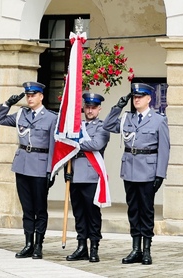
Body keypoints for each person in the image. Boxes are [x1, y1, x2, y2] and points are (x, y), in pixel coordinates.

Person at [103, 83, 170, 265]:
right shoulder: (127, 119)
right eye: (134, 97)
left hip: (148, 171)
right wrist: (118, 107)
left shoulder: (158, 120)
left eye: (140, 97)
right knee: (133, 210)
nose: (136, 99)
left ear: (149, 98)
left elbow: (164, 149)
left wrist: (160, 174)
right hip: (130, 170)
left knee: (146, 211)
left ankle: (147, 250)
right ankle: (135, 249)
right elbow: (108, 125)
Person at [0, 81, 57, 259]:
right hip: (22, 166)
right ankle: (28, 243)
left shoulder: (51, 118)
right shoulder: (21, 114)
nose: (30, 98)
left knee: (40, 209)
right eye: (28, 95)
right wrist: (7, 104)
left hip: (40, 166)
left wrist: (51, 170)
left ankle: (38, 245)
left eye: (33, 95)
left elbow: (53, 146)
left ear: (41, 96)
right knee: (27, 208)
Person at [65, 92, 110, 263]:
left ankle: (94, 247)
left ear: (99, 109)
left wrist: (74, 142)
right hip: (75, 173)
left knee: (92, 213)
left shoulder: (103, 127)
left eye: (93, 107)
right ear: (83, 108)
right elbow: (65, 149)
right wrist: (66, 171)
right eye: (87, 107)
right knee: (79, 213)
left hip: (91, 174)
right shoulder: (76, 126)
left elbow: (96, 144)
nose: (90, 110)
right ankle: (81, 245)